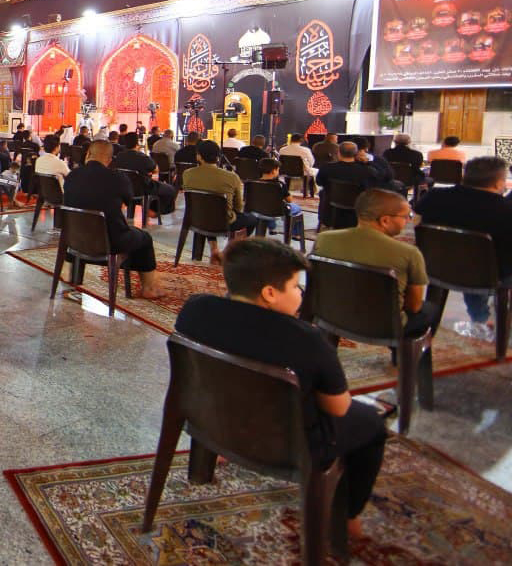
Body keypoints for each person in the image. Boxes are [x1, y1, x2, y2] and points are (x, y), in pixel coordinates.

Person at [174, 237, 386, 541]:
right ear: (270, 293)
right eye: (296, 286)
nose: (301, 294)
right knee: (373, 423)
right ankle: (347, 515)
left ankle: (203, 467)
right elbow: (338, 408)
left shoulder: (196, 309)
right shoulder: (306, 339)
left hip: (210, 421)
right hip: (287, 447)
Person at [313, 189, 440, 336]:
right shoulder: (409, 253)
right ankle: (404, 349)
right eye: (406, 216)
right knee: (430, 309)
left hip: (330, 314)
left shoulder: (324, 238)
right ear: (385, 220)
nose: (408, 221)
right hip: (385, 326)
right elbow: (414, 306)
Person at [416, 156, 512, 340]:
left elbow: (418, 220)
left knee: (473, 258)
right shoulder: (506, 210)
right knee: (485, 261)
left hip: (436, 266)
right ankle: (492, 320)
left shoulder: (434, 196)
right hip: (490, 276)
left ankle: (479, 317)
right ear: (499, 182)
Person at [62, 140, 164, 296]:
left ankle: (71, 274)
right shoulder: (117, 178)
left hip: (75, 238)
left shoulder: (72, 176)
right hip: (110, 241)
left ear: (88, 154)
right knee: (144, 238)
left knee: (88, 224)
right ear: (110, 160)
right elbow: (128, 201)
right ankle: (149, 288)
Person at [181, 140, 260, 261]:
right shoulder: (231, 177)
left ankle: (214, 249)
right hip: (224, 221)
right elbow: (238, 206)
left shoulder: (187, 174)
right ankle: (228, 250)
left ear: (198, 156)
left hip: (196, 218)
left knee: (208, 211)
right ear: (218, 157)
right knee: (253, 219)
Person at [315, 141, 376, 229]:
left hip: (332, 207)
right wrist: (366, 163)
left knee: (323, 192)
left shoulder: (326, 168)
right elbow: (371, 187)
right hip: (357, 210)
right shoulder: (366, 170)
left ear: (338, 153)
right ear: (356, 154)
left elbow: (319, 182)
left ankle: (323, 219)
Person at [113, 132, 176, 215]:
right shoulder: (142, 157)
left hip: (125, 189)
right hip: (142, 189)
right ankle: (157, 211)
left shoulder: (118, 156)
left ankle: (148, 209)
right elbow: (156, 170)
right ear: (137, 143)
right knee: (170, 189)